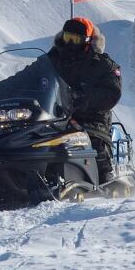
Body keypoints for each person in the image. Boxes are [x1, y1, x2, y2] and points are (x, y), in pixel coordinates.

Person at [46, 17, 122, 184]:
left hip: (91, 118)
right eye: (68, 38)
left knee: (93, 143)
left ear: (87, 41)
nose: (71, 44)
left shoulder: (103, 64)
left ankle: (106, 182)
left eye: (76, 40)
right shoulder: (52, 59)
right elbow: (32, 76)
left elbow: (112, 93)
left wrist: (86, 100)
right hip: (54, 116)